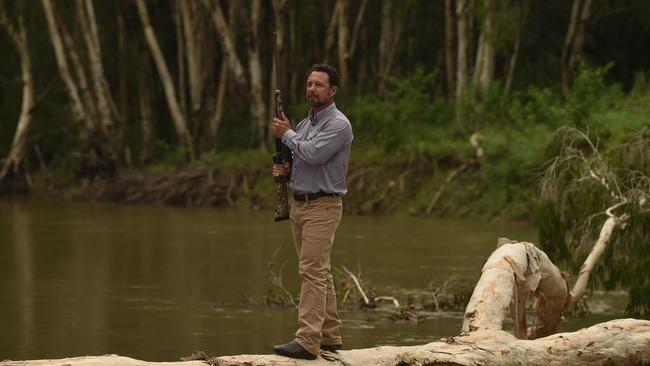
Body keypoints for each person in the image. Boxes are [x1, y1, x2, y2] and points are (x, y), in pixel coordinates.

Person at [271, 63, 353, 360]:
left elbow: (315, 154)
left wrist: (287, 133)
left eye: (318, 85)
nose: (312, 89)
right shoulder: (306, 124)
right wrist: (285, 169)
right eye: (309, 84)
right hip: (300, 204)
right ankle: (330, 335)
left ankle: (307, 340)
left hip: (323, 205)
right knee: (319, 271)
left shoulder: (338, 124)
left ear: (332, 91)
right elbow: (302, 159)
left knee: (311, 272)